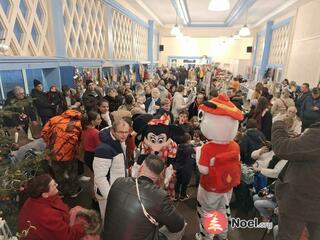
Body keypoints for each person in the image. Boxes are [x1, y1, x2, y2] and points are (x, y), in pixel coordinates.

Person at [103, 154, 185, 240]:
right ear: (160, 175)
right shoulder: (160, 196)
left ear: (141, 167)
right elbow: (178, 226)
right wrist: (163, 184)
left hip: (107, 236)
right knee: (182, 225)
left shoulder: (118, 181)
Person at [271, 114, 320, 240]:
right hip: (312, 203)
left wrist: (278, 124)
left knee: (288, 235)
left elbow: (281, 147)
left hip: (301, 202)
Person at [18, 174, 87, 240]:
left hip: (52, 230)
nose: (57, 185)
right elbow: (67, 237)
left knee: (77, 210)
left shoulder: (35, 199)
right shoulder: (47, 215)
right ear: (45, 194)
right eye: (53, 185)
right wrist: (83, 226)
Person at [93, 119, 130, 223]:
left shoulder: (119, 141)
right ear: (113, 131)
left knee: (115, 218)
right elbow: (100, 178)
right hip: (108, 193)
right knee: (108, 219)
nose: (124, 135)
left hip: (117, 188)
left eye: (126, 132)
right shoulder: (104, 149)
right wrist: (110, 197)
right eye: (121, 132)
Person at [41, 109, 83, 198]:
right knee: (72, 172)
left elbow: (44, 133)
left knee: (58, 172)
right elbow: (81, 138)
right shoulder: (79, 123)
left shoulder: (54, 119)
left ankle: (61, 191)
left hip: (54, 152)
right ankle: (73, 191)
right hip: (70, 151)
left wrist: (50, 144)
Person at [174, 133, 195, 201]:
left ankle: (176, 196)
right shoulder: (190, 149)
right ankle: (183, 196)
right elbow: (192, 158)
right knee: (185, 183)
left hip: (178, 167)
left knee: (178, 181)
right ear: (188, 140)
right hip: (187, 168)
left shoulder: (178, 146)